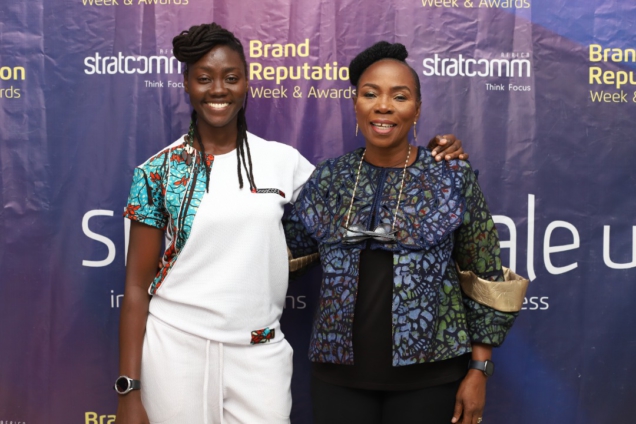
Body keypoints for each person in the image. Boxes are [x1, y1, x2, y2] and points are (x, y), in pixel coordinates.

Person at [114, 24, 467, 424]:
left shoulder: (283, 162)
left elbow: (361, 190)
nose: (218, 89)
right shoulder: (156, 171)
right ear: (186, 84)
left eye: (231, 77)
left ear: (247, 82)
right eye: (204, 78)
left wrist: (428, 160)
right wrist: (128, 389)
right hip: (174, 348)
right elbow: (136, 287)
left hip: (259, 352)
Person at [284, 41, 528, 424]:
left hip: (431, 378)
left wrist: (480, 369)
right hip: (338, 376)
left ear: (417, 109)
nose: (383, 106)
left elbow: (486, 276)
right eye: (370, 94)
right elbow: (282, 256)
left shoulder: (451, 177)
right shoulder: (329, 178)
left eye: (399, 96)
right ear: (355, 104)